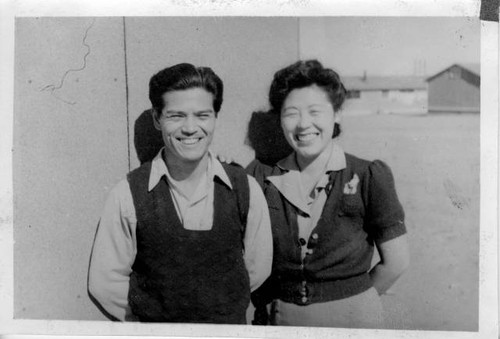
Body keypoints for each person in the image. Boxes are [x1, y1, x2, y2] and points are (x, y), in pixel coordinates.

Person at [88, 63, 272, 324]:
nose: (190, 127)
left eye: (202, 115)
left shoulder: (245, 189)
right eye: (176, 116)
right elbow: (104, 282)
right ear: (157, 118)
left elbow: (257, 269)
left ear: (215, 117)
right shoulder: (127, 194)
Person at [247, 60, 409, 328]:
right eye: (291, 113)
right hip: (280, 322)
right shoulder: (261, 176)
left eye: (315, 111)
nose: (303, 125)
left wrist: (354, 302)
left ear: (336, 114)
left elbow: (397, 262)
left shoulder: (368, 175)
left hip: (353, 322)